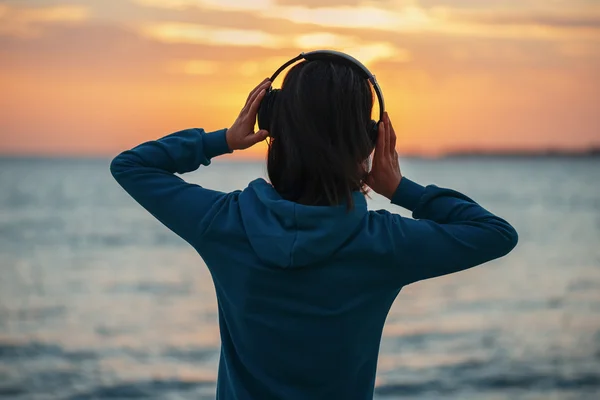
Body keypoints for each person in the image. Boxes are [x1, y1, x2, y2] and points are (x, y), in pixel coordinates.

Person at [110, 57, 518, 400]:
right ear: (368, 141)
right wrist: (399, 188)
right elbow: (494, 233)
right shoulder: (385, 244)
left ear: (272, 122)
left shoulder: (224, 223)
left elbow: (131, 166)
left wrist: (223, 140)